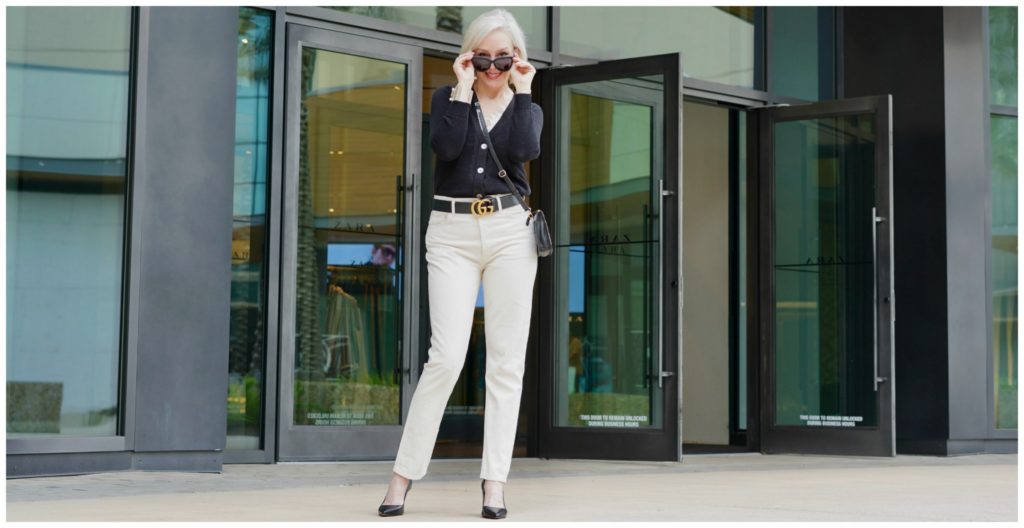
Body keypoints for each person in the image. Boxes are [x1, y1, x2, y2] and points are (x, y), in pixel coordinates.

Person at [377, 7, 542, 520]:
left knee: (505, 361)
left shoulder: (526, 107)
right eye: (484, 57)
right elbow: (444, 148)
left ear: (516, 59)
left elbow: (524, 149)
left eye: (503, 58)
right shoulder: (448, 100)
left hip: (510, 231)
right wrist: (462, 87)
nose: (493, 68)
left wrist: (525, 89)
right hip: (449, 232)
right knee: (445, 356)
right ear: (469, 56)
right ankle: (402, 477)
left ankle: (494, 482)